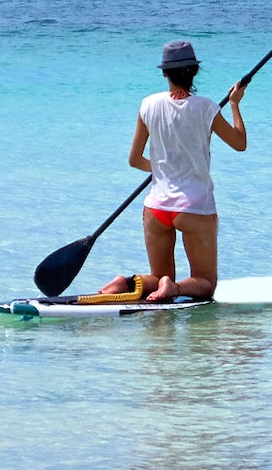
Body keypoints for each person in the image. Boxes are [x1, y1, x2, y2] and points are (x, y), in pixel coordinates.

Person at [92, 39, 248, 303]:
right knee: (206, 283)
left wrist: (163, 171)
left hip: (155, 208)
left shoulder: (148, 104)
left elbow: (134, 159)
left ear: (164, 73)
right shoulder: (207, 108)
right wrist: (234, 104)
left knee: (159, 275)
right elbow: (239, 143)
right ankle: (173, 289)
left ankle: (128, 282)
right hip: (194, 207)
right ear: (195, 71)